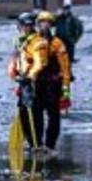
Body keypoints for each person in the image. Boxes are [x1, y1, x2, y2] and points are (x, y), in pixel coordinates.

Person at [10, 12, 49, 151]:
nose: (26, 28)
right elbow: (15, 59)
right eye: (23, 26)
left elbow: (40, 63)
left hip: (36, 82)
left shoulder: (39, 42)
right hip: (23, 80)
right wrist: (13, 72)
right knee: (23, 111)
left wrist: (30, 76)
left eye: (29, 26)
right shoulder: (19, 41)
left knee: (35, 112)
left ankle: (37, 142)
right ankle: (30, 140)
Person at [34, 11, 72, 153]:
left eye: (47, 23)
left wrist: (65, 88)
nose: (45, 25)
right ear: (38, 24)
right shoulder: (31, 42)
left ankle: (50, 144)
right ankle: (36, 143)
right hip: (36, 83)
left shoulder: (57, 44)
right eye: (42, 22)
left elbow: (65, 67)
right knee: (36, 114)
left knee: (53, 115)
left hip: (52, 84)